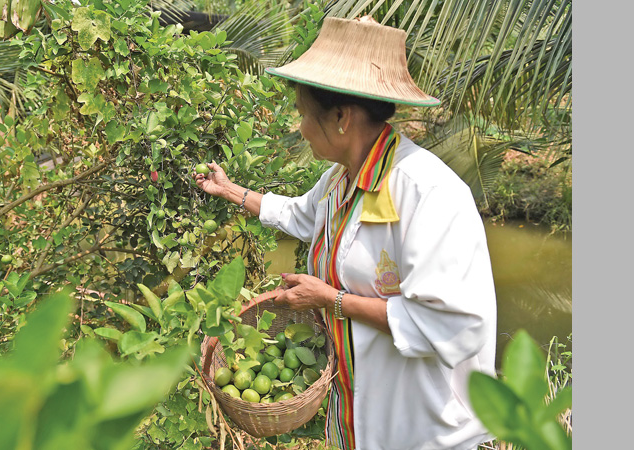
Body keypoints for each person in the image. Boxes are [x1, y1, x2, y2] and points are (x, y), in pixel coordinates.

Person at [194, 16, 497, 450]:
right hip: (361, 420)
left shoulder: (428, 192)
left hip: (425, 431)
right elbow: (301, 215)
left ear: (340, 117)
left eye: (302, 114)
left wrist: (331, 300)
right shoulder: (342, 179)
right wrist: (230, 190)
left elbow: (452, 324)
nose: (299, 127)